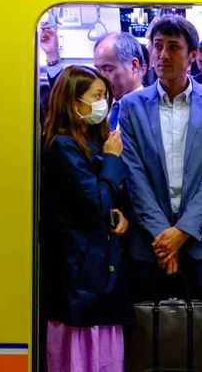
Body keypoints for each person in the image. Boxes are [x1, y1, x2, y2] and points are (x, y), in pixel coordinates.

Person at [118, 14, 202, 303]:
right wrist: (164, 236)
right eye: (157, 46)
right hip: (150, 243)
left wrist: (182, 232)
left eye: (173, 47)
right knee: (151, 335)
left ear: (192, 55)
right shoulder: (132, 106)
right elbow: (135, 174)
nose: (162, 54)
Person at [40, 65, 130, 372]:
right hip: (80, 278)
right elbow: (96, 201)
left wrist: (118, 215)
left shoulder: (88, 142)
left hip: (95, 274)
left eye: (105, 96)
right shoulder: (64, 146)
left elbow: (103, 203)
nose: (102, 104)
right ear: (74, 101)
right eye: (97, 96)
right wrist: (114, 159)